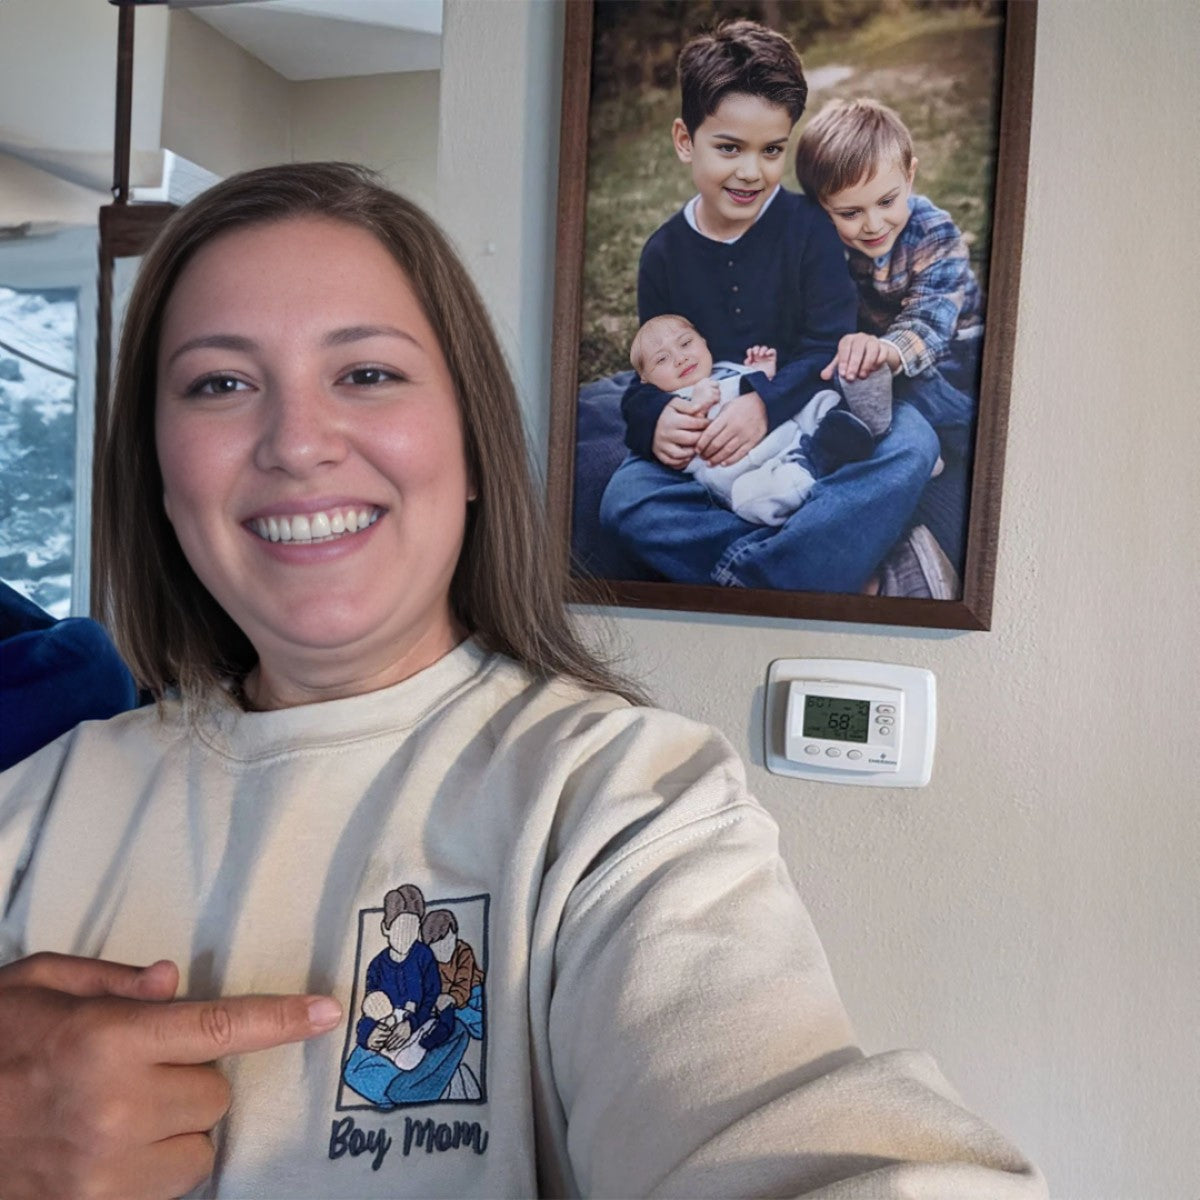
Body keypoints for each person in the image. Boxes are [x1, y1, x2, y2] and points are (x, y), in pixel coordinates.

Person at [0, 163, 1044, 1198]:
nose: (298, 445)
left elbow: (789, 1131)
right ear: (157, 468)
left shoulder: (628, 802)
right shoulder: (36, 803)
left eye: (367, 374)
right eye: (220, 384)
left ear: (470, 444)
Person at [598, 19, 951, 597]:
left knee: (913, 441)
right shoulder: (662, 254)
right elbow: (649, 364)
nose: (751, 171)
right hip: (713, 442)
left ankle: (758, 571)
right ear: (685, 140)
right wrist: (654, 419)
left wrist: (763, 405)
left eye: (771, 151)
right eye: (729, 148)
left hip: (812, 414)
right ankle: (839, 564)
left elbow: (826, 345)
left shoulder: (808, 228)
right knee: (625, 500)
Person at [795, 97, 985, 572]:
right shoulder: (822, 241)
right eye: (850, 212)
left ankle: (934, 439)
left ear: (910, 176)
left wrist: (884, 352)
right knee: (830, 377)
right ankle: (874, 434)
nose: (874, 223)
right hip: (878, 358)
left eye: (886, 201)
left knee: (922, 394)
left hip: (950, 361)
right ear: (821, 207)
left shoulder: (933, 232)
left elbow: (930, 322)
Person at [629, 314, 876, 527]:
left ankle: (849, 420)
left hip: (785, 430)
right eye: (661, 359)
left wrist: (762, 374)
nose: (680, 358)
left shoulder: (727, 367)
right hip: (748, 469)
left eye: (686, 343)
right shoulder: (671, 405)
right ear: (645, 380)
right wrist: (697, 406)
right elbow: (681, 451)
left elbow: (770, 393)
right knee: (752, 498)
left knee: (820, 399)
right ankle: (814, 465)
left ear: (704, 341)